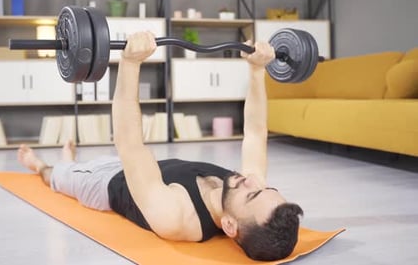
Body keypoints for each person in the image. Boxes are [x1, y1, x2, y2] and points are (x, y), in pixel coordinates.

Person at [17, 31, 303, 261]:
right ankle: (70, 160)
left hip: (105, 182)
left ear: (230, 226)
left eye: (252, 195)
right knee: (82, 165)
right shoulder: (249, 189)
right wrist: (256, 70)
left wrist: (130, 64)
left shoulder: (176, 217)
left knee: (58, 176)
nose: (252, 180)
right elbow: (255, 132)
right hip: (147, 168)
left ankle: (44, 165)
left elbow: (129, 144)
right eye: (265, 187)